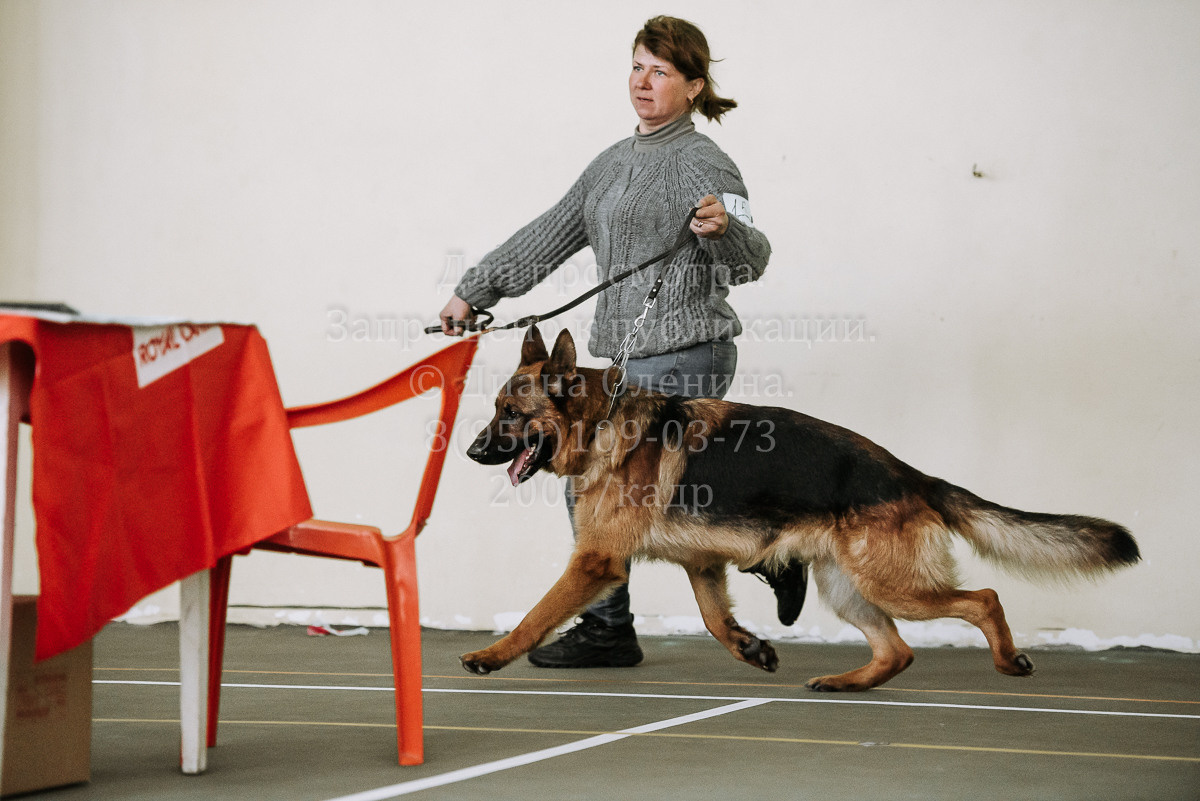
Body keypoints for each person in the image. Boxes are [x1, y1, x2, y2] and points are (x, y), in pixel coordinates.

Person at [439, 15, 808, 668]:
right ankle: (766, 552)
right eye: (637, 65)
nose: (643, 81)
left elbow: (753, 259)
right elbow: (548, 232)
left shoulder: (707, 162)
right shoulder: (610, 163)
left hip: (690, 350)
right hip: (623, 363)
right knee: (641, 490)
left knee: (619, 486)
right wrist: (476, 290)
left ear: (693, 87)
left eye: (661, 71)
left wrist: (724, 229)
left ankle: (747, 562)